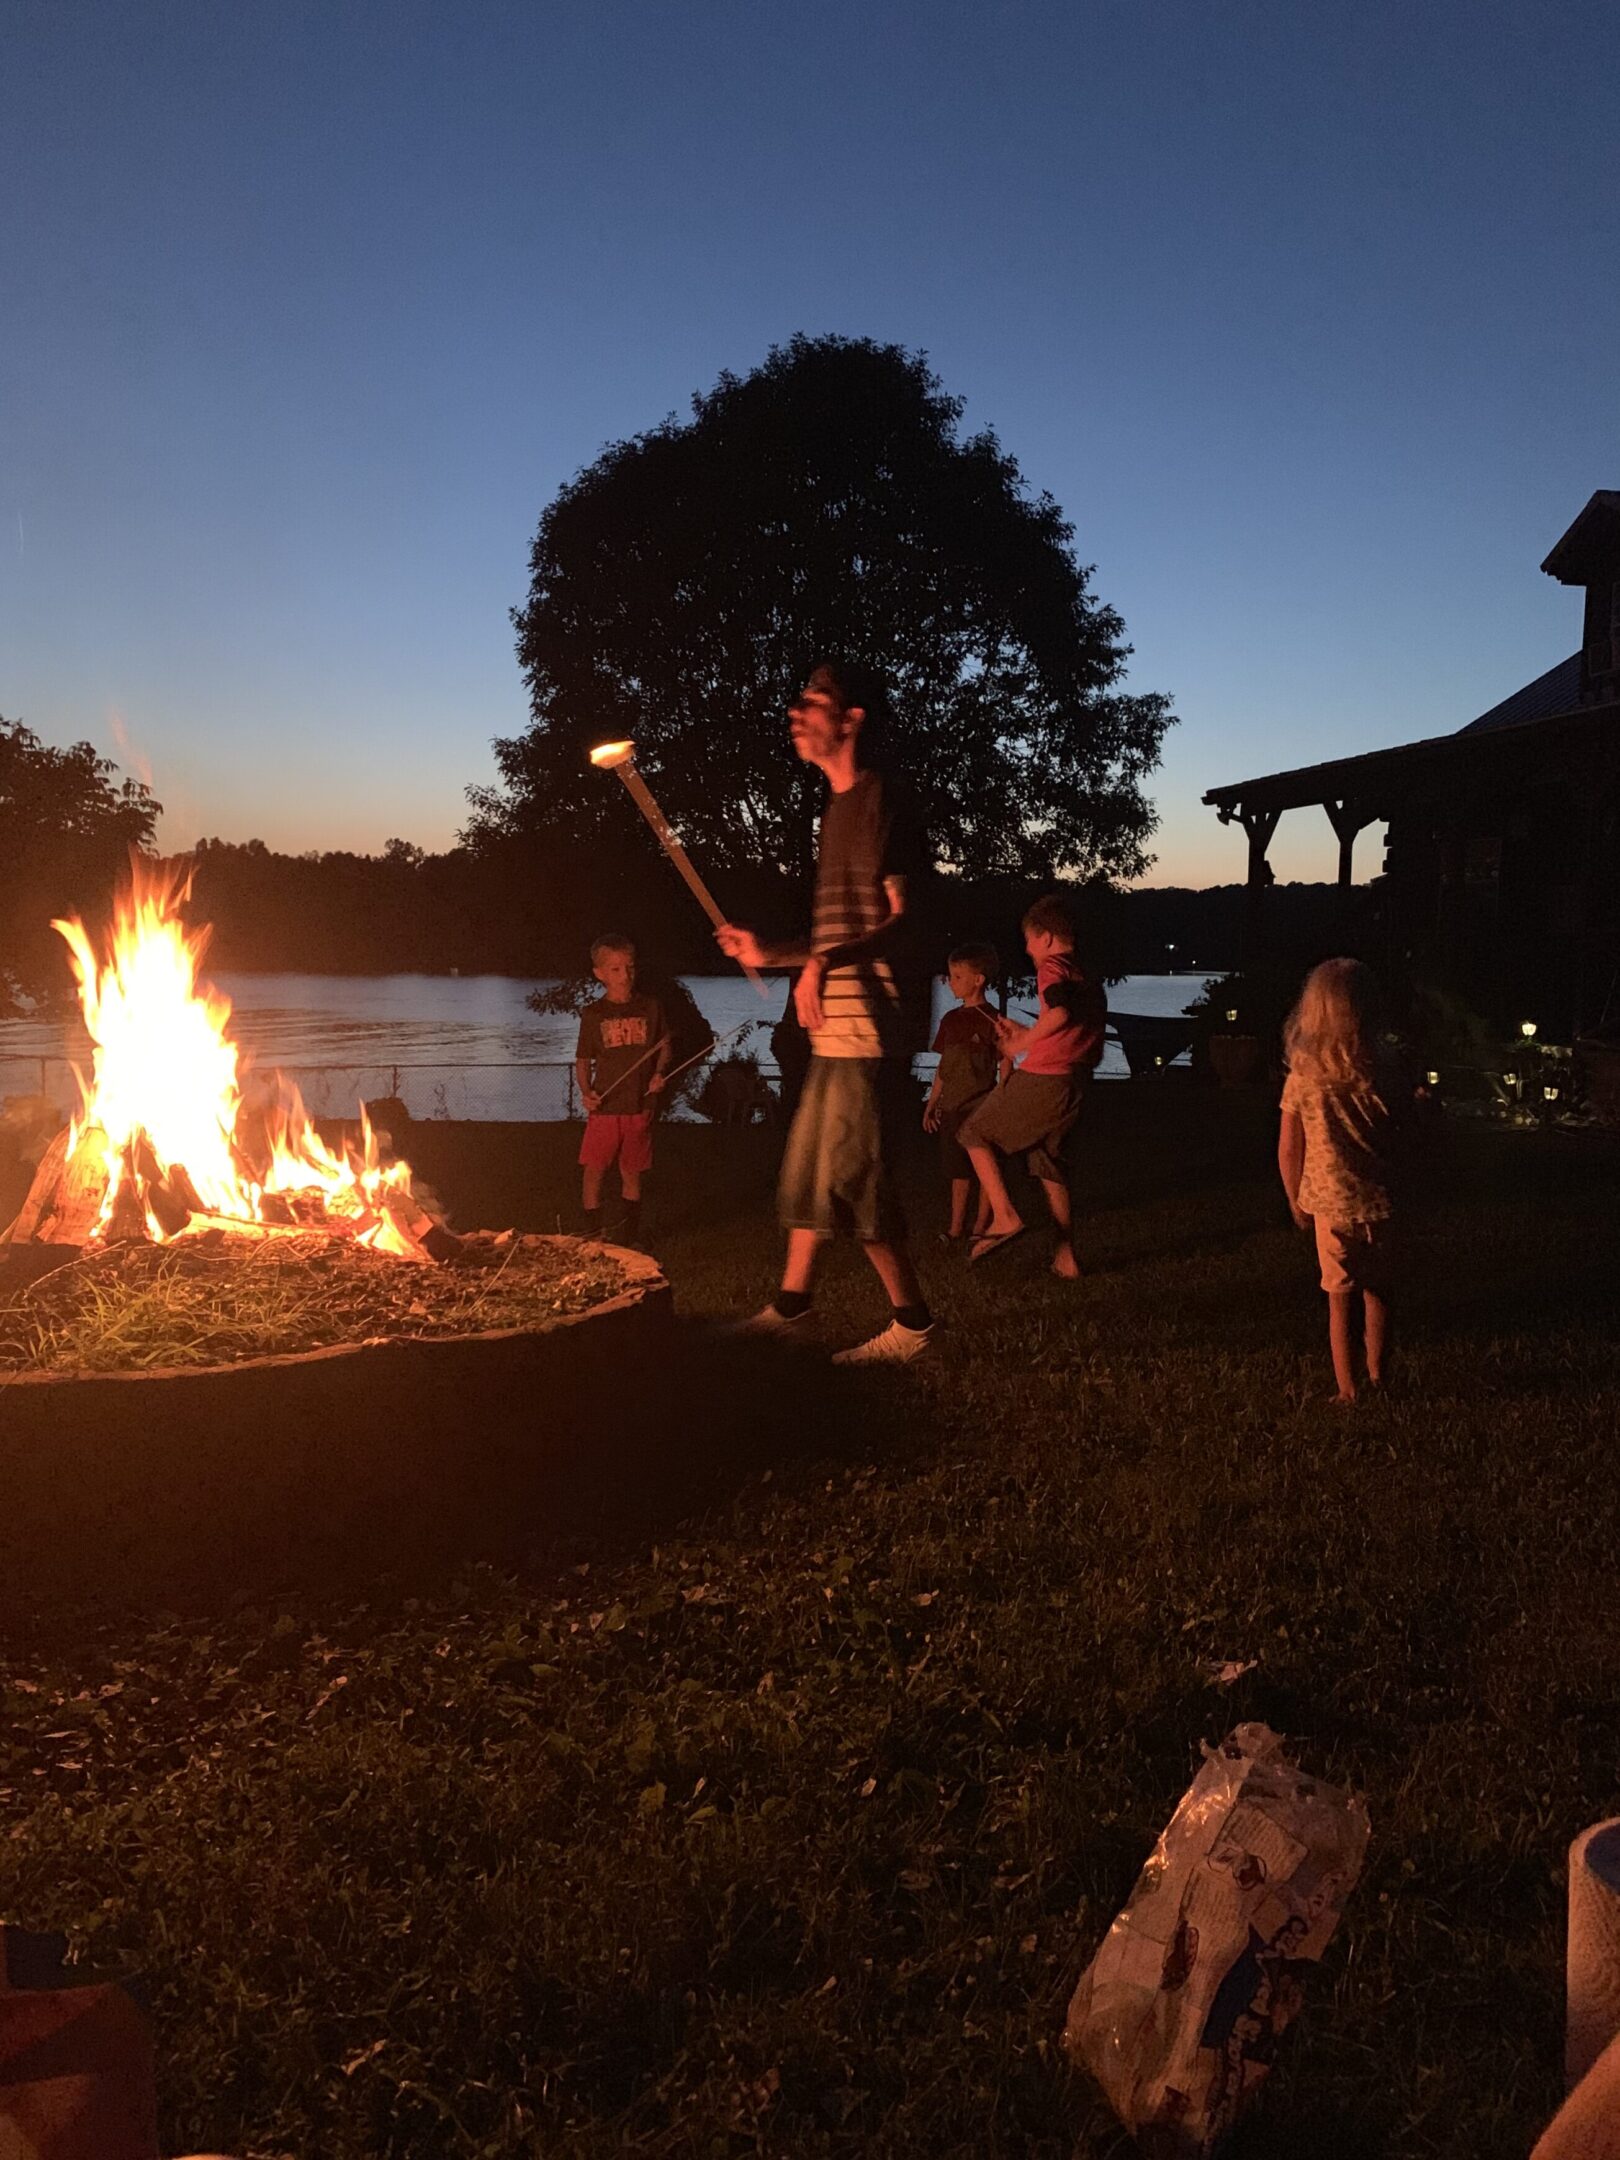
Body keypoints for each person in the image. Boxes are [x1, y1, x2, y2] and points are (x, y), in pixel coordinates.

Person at [715, 661, 934, 1363]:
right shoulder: (834, 811)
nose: (795, 711)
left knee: (854, 1181)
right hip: (838, 1023)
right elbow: (836, 938)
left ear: (852, 719)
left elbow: (910, 923)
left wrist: (821, 965)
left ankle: (915, 1326)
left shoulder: (885, 802)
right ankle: (792, 1308)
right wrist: (772, 952)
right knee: (809, 1173)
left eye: (813, 701)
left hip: (875, 1023)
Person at [1276, 956, 1405, 1403]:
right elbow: (1403, 1133)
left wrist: (1294, 1197)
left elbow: (1289, 1146)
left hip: (1330, 1207)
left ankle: (1348, 1390)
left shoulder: (1303, 1076)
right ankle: (1378, 1374)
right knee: (1380, 1291)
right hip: (1382, 1201)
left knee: (1339, 1298)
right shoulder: (1384, 1071)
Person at [960, 893, 1106, 1278]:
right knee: (1047, 1163)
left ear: (1045, 938)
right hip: (1075, 1083)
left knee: (973, 1132)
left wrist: (1020, 1044)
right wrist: (1028, 1031)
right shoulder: (1084, 974)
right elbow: (1069, 1024)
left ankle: (1004, 1216)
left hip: (1046, 1079)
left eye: (1028, 940)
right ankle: (1066, 1257)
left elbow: (1058, 1011)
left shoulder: (1052, 967)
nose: (1026, 949)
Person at [573, 934, 668, 1244]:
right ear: (600, 974)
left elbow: (663, 1046)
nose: (624, 975)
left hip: (639, 1106)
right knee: (595, 1169)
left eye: (629, 967)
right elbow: (583, 1059)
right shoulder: (594, 1014)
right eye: (615, 969)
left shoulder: (650, 1007)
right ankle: (593, 1232)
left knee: (631, 1171)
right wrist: (587, 1092)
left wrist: (659, 1073)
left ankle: (629, 1236)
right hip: (606, 1106)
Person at [922, 941, 1005, 1243]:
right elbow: (945, 1067)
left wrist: (1004, 1098)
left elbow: (1005, 1060)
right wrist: (932, 1104)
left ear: (978, 980)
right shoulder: (951, 1020)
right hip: (952, 1107)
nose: (950, 982)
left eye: (958, 976)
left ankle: (981, 1226)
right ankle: (956, 1227)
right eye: (950, 976)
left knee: (984, 1167)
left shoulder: (992, 1019)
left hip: (980, 1106)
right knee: (957, 1169)